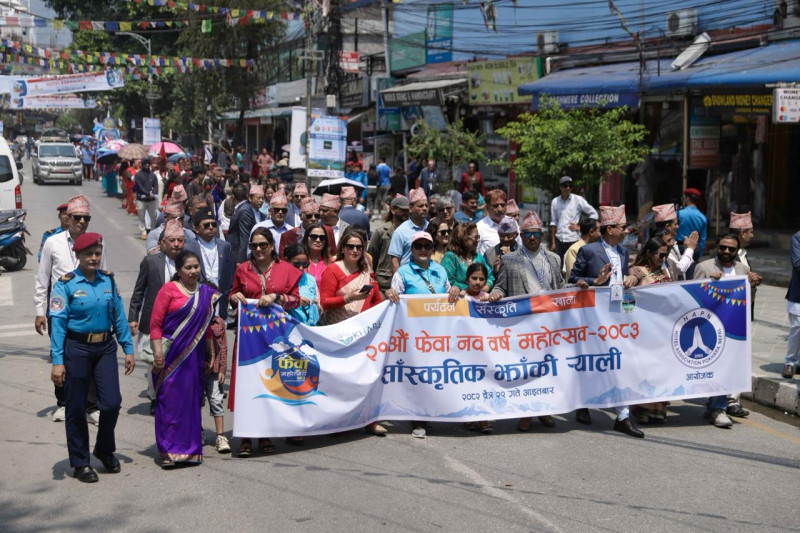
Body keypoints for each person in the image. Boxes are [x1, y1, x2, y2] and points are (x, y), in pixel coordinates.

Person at [48, 232, 135, 482]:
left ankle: (104, 449)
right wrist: (57, 361)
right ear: (77, 256)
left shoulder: (107, 281)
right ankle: (80, 462)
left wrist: (127, 349)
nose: (94, 258)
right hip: (76, 349)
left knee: (111, 403)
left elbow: (118, 316)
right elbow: (58, 324)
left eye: (97, 253)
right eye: (89, 254)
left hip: (105, 347)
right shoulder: (65, 284)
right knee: (75, 407)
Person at [569, 205, 644, 438]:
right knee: (592, 361)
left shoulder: (622, 252)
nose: (625, 231)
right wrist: (595, 280)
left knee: (621, 363)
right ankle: (583, 403)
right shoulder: (589, 251)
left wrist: (631, 277)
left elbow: (623, 279)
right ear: (610, 229)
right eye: (623, 227)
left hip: (618, 316)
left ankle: (623, 416)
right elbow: (573, 279)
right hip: (593, 317)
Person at [228, 227, 301, 456]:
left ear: (271, 246)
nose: (258, 249)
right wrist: (234, 298)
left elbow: (296, 300)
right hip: (249, 337)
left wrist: (276, 297)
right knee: (248, 383)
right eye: (254, 245)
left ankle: (267, 434)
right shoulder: (242, 269)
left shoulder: (285, 270)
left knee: (270, 383)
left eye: (263, 245)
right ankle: (246, 437)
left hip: (276, 337)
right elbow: (232, 295)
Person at [487, 212, 562, 432]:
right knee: (525, 371)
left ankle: (544, 411)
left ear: (542, 235)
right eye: (527, 233)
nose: (532, 237)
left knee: (547, 369)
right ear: (521, 235)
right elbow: (500, 286)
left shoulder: (554, 259)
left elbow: (560, 288)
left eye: (536, 233)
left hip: (549, 324)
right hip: (522, 325)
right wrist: (496, 294)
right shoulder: (510, 259)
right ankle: (525, 414)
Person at [36, 195, 106, 424]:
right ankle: (63, 403)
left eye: (86, 217)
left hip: (89, 312)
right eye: (77, 217)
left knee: (91, 356)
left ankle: (91, 406)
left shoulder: (96, 243)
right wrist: (40, 310)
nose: (82, 221)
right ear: (68, 217)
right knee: (61, 356)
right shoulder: (52, 242)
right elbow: (42, 279)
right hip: (59, 311)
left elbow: (104, 277)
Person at [385, 231, 460, 438]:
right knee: (418, 375)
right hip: (414, 334)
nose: (424, 250)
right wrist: (389, 293)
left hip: (439, 333)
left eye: (427, 246)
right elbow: (394, 296)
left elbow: (448, 293)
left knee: (438, 373)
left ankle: (439, 411)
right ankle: (418, 418)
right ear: (412, 249)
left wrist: (454, 289)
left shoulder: (440, 270)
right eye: (419, 246)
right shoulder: (402, 272)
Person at [150, 250, 221, 467]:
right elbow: (155, 325)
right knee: (169, 403)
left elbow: (206, 326)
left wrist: (210, 352)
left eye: (196, 267)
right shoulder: (168, 290)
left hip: (194, 357)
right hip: (170, 357)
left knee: (190, 403)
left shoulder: (206, 293)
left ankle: (189, 451)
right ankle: (168, 451)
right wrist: (158, 353)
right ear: (178, 271)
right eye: (188, 268)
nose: (193, 271)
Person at [693, 234, 760, 429]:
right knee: (717, 367)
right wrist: (709, 285)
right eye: (723, 247)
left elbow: (747, 301)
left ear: (737, 251)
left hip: (734, 329)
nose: (726, 252)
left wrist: (753, 285)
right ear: (717, 247)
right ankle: (718, 408)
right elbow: (693, 298)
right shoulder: (704, 267)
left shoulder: (743, 269)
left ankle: (717, 406)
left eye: (731, 249)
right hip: (711, 327)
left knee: (728, 368)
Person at [130, 219, 187, 414]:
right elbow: (139, 291)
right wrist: (133, 317)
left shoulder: (189, 262)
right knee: (154, 360)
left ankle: (174, 396)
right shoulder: (151, 261)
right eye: (172, 240)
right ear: (162, 242)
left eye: (180, 240)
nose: (176, 244)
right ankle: (155, 397)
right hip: (153, 320)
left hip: (179, 321)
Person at [627, 237, 671, 424]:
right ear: (649, 253)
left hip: (663, 328)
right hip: (643, 329)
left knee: (660, 369)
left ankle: (658, 410)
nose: (663, 258)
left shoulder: (664, 271)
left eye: (666, 255)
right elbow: (627, 298)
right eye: (661, 255)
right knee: (644, 370)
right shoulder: (637, 272)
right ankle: (639, 409)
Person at [320, 229, 382, 326]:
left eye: (359, 247)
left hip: (363, 327)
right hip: (337, 327)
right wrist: (349, 297)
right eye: (350, 247)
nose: (355, 250)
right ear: (342, 249)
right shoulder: (332, 269)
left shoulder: (367, 270)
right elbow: (324, 302)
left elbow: (377, 300)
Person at [186, 208, 234, 321]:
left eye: (214, 224)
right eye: (206, 225)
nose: (211, 227)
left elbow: (230, 276)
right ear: (196, 229)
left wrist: (229, 300)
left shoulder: (225, 246)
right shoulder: (189, 247)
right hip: (198, 297)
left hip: (220, 298)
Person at [549, 176, 598, 261]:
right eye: (565, 185)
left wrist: (581, 227)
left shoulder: (578, 200)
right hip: (559, 240)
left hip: (573, 239)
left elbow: (594, 213)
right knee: (559, 267)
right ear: (560, 187)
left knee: (572, 266)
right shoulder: (555, 202)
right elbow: (554, 222)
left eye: (570, 185)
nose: (568, 188)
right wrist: (553, 243)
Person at [368, 195, 409, 293]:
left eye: (407, 210)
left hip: (407, 281)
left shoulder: (411, 231)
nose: (406, 213)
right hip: (385, 283)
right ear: (393, 210)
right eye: (403, 210)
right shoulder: (381, 231)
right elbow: (371, 257)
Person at [441, 222, 494, 293]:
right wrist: (468, 288)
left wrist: (487, 286)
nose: (478, 240)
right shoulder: (451, 257)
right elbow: (447, 281)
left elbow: (490, 276)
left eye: (478, 237)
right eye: (475, 237)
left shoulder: (478, 257)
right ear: (463, 238)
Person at [652, 203, 697, 281]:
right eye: (675, 224)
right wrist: (690, 249)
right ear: (667, 227)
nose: (677, 227)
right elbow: (679, 268)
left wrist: (687, 249)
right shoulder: (659, 246)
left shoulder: (672, 242)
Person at [388, 188, 429, 271]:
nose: (424, 208)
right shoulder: (400, 231)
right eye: (420, 206)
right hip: (408, 280)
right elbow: (394, 261)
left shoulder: (431, 227)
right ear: (410, 208)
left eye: (426, 206)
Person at [284, 243, 321, 326]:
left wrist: (313, 304)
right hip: (289, 327)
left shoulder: (311, 280)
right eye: (296, 264)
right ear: (287, 261)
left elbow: (319, 309)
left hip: (310, 328)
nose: (301, 268)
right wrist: (294, 301)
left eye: (304, 264)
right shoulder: (281, 280)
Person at [477, 189, 521, 255]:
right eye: (495, 206)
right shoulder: (480, 227)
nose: (500, 209)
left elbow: (520, 247)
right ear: (487, 207)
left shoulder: (513, 223)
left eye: (502, 205)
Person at [234, 184, 266, 264]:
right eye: (259, 198)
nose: (261, 200)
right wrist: (241, 260)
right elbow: (245, 237)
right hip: (242, 254)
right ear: (250, 198)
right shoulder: (246, 211)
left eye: (263, 198)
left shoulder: (261, 214)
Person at [783, 229, 800, 380]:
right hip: (798, 294)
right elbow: (797, 263)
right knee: (797, 327)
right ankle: (790, 361)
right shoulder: (797, 237)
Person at [676, 188, 707, 261]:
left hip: (680, 247)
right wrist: (700, 253)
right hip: (695, 248)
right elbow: (702, 239)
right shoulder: (702, 217)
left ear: (687, 199)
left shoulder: (679, 214)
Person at [134, 158, 159, 240]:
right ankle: (143, 231)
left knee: (154, 216)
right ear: (142, 164)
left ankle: (152, 231)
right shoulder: (138, 175)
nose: (147, 165)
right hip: (141, 199)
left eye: (148, 163)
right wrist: (148, 193)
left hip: (151, 200)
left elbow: (156, 186)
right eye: (145, 163)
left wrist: (153, 192)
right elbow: (140, 187)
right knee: (141, 216)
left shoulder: (153, 175)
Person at [302, 222, 333, 287]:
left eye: (322, 237)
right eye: (314, 237)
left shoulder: (332, 263)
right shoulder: (299, 262)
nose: (318, 240)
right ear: (306, 238)